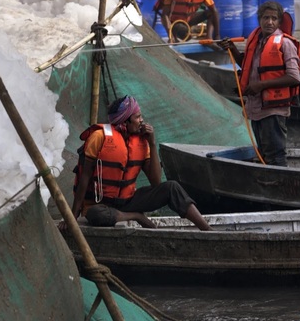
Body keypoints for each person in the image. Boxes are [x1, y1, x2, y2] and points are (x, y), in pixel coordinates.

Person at [60, 96, 212, 231]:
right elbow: (84, 177)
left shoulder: (141, 141)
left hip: (128, 201)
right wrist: (72, 216)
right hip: (100, 205)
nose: (141, 121)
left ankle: (208, 231)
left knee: (171, 187)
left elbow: (156, 182)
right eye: (138, 117)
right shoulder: (99, 137)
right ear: (125, 121)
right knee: (95, 215)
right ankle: (135, 216)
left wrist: (152, 143)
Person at [219, 0, 300, 166]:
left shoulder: (285, 43)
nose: (269, 22)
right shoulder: (255, 41)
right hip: (256, 107)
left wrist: (260, 85)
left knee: (275, 155)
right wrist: (233, 49)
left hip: (273, 110)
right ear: (259, 19)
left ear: (279, 21)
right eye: (265, 18)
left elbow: (294, 77)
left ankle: (278, 185)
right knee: (263, 153)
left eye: (274, 18)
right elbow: (248, 65)